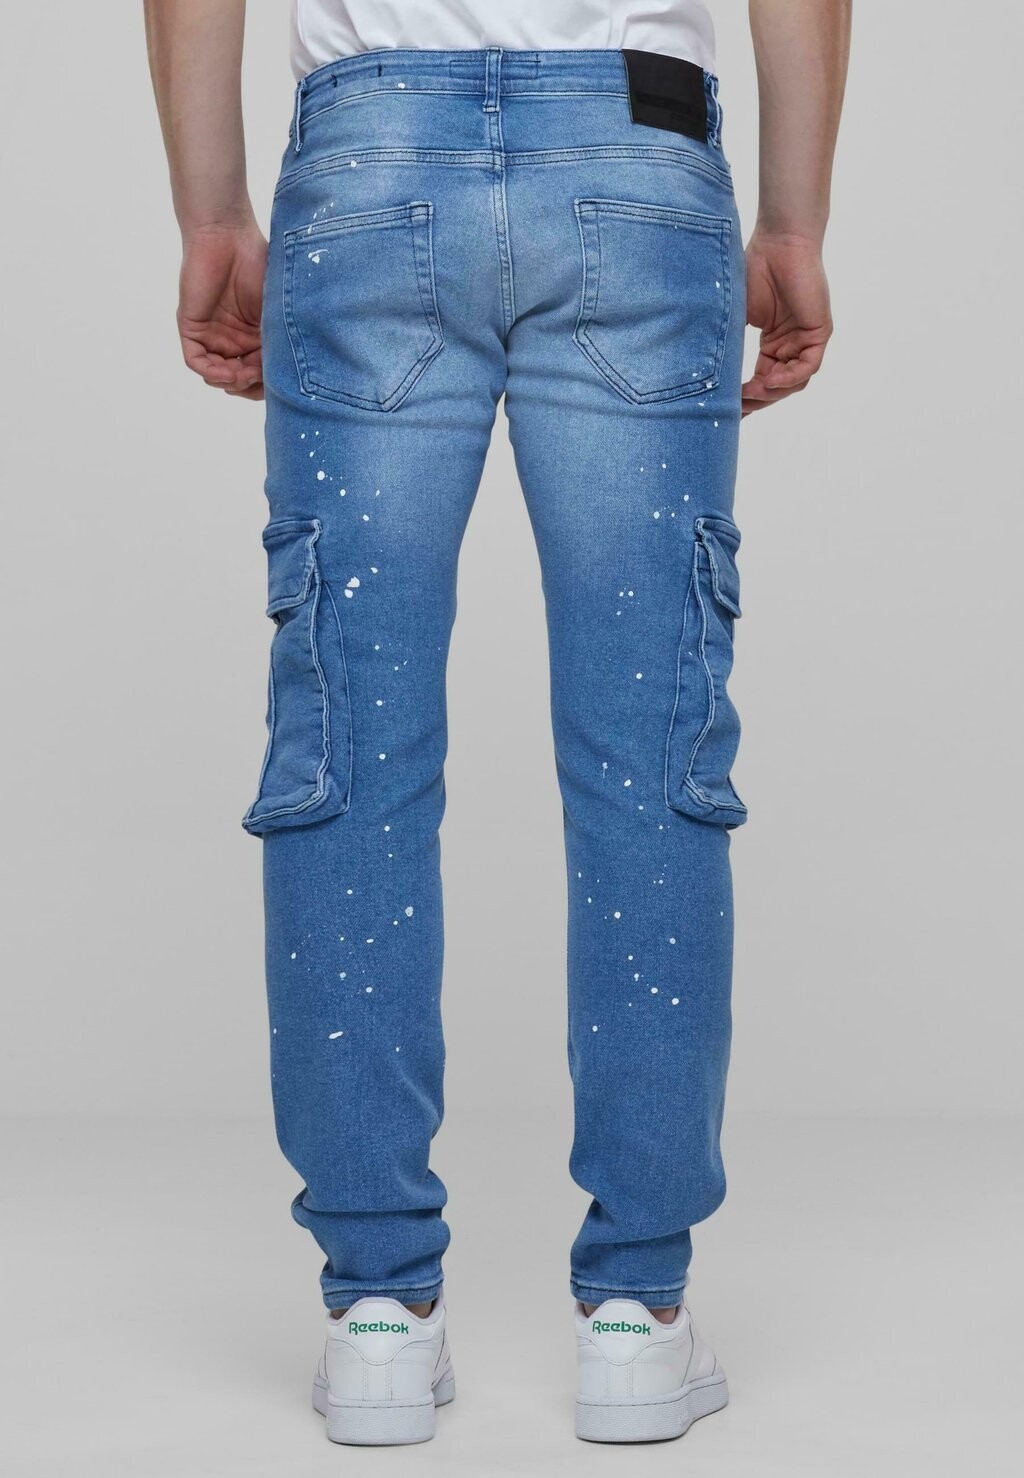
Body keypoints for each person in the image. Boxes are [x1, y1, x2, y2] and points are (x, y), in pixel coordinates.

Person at [145, 0, 850, 1448]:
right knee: (649, 751)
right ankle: (636, 1313)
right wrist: (793, 221)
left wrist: (212, 212)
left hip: (368, 153)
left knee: (352, 744)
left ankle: (377, 1315)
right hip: (639, 149)